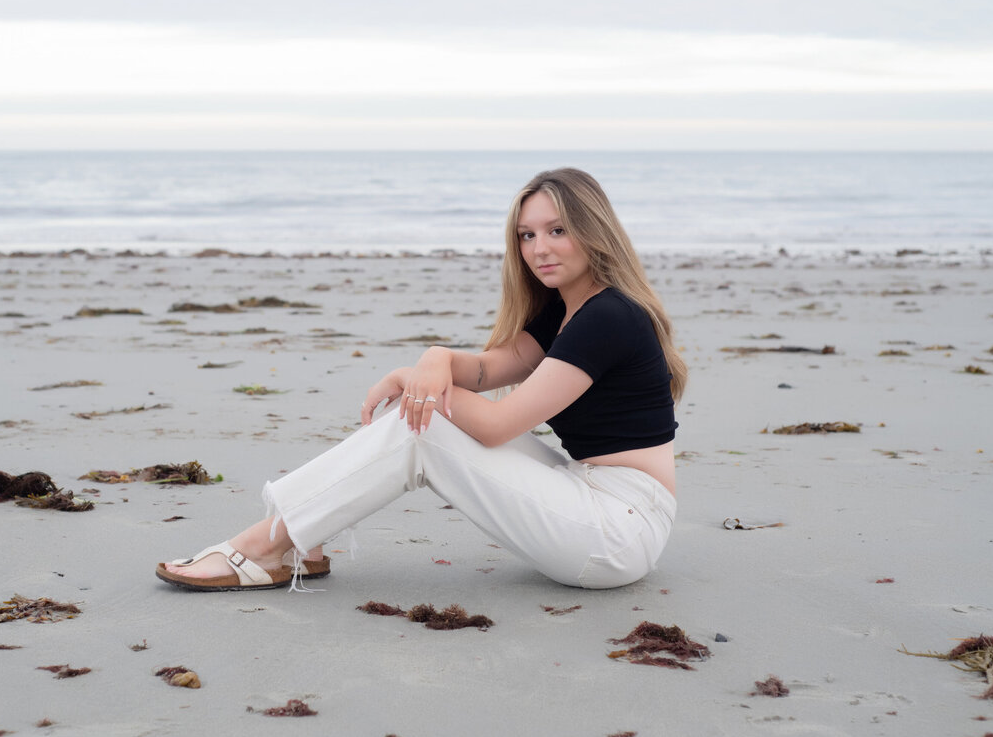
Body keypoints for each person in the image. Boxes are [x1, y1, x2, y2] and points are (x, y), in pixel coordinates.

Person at [156, 167, 687, 592]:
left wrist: (421, 383)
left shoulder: (608, 317)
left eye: (557, 230)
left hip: (618, 529)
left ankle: (270, 543)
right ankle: (293, 539)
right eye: (526, 235)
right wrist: (431, 361)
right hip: (591, 497)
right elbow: (485, 370)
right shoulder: (565, 313)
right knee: (425, 414)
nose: (539, 248)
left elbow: (499, 424)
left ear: (594, 231)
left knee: (425, 425)